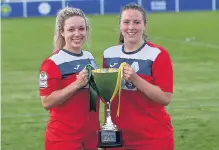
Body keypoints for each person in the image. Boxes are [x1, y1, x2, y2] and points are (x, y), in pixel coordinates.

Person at [102, 3, 174, 150]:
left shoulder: (158, 55)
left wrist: (136, 79)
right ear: (120, 25)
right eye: (126, 22)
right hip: (118, 138)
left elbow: (165, 98)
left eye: (137, 22)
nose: (131, 27)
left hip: (153, 138)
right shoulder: (109, 54)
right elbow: (107, 97)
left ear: (144, 25)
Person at [39, 7, 99, 150]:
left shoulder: (89, 57)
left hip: (91, 136)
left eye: (81, 29)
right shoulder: (52, 63)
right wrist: (76, 84)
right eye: (71, 30)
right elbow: (46, 102)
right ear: (62, 32)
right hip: (64, 139)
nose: (77, 34)